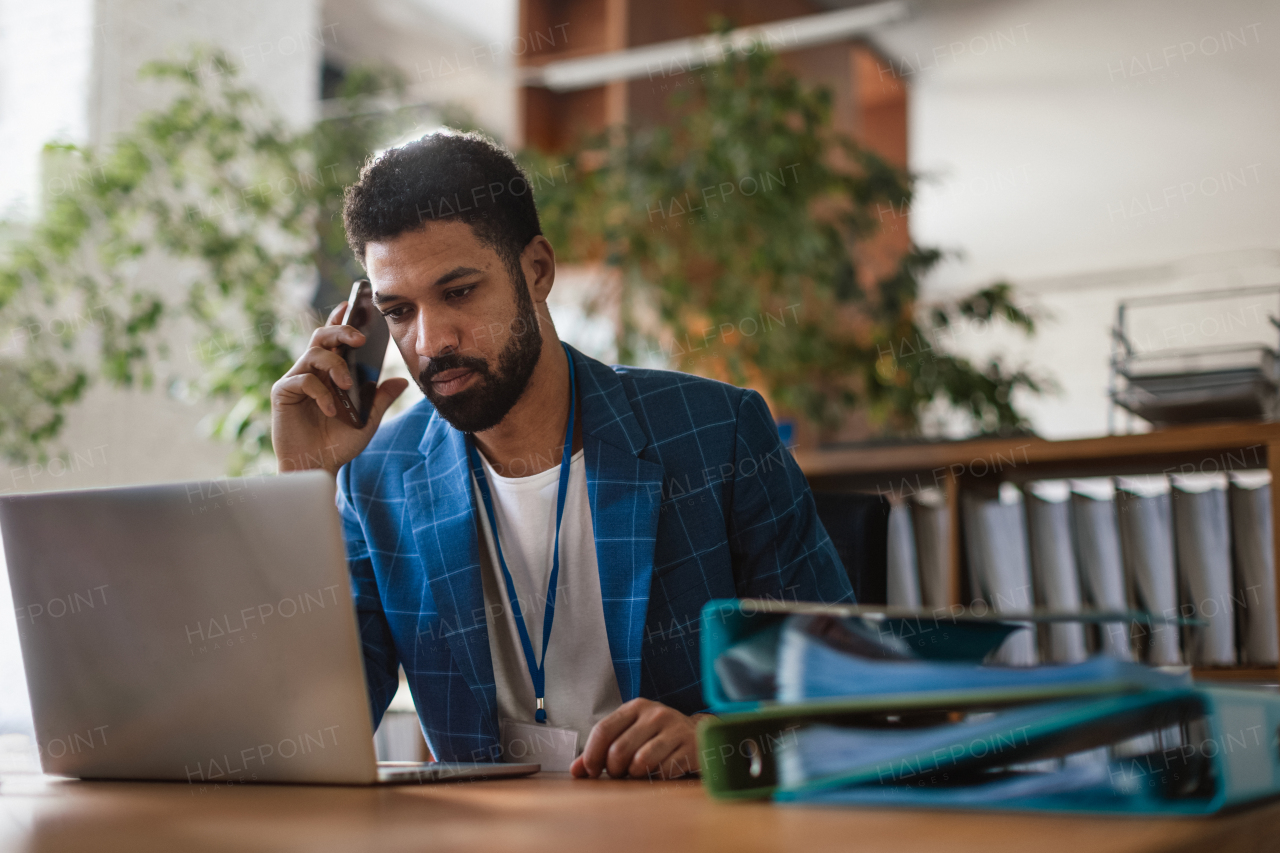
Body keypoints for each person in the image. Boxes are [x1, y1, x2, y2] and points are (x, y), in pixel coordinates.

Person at [270, 131, 853, 780]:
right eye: (399, 311)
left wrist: (718, 738)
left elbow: (848, 687)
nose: (431, 341)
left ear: (537, 270)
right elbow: (306, 731)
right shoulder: (378, 481)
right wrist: (304, 488)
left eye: (459, 291)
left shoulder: (717, 432)